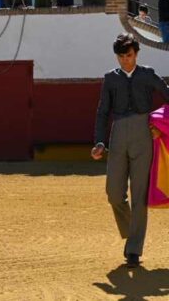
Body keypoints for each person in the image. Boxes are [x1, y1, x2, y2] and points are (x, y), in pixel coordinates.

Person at [92, 33, 169, 268]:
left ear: (136, 54)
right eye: (121, 56)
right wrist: (99, 142)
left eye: (129, 55)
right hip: (118, 134)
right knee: (114, 193)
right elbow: (103, 112)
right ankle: (130, 231)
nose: (125, 60)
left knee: (139, 195)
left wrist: (160, 126)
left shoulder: (147, 74)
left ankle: (134, 248)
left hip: (143, 136)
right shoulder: (110, 79)